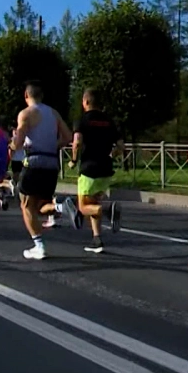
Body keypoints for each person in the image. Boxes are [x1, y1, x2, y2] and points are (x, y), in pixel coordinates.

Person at [11, 81, 72, 260]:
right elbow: (68, 137)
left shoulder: (26, 114)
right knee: (40, 206)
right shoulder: (53, 113)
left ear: (26, 96)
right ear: (42, 96)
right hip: (52, 162)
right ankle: (60, 207)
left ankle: (39, 246)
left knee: (26, 205)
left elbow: (19, 139)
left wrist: (13, 145)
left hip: (34, 161)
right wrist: (54, 146)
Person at [70, 88, 124, 253]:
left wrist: (73, 160)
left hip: (89, 168)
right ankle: (97, 239)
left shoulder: (82, 120)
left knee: (83, 207)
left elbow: (77, 142)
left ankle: (108, 210)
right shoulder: (109, 121)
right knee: (93, 203)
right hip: (106, 169)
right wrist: (111, 154)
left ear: (86, 102)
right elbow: (121, 146)